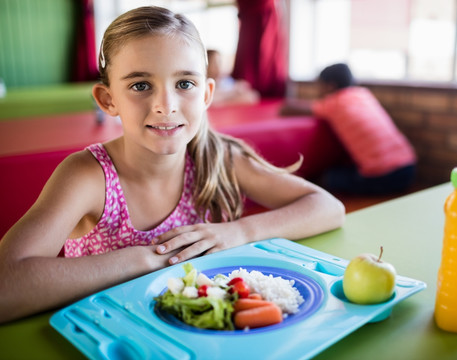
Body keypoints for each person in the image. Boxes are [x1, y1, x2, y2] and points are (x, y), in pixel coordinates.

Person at [0, 6, 344, 323]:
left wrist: (239, 232)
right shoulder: (88, 175)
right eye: (140, 85)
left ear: (206, 94)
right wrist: (147, 259)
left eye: (184, 84)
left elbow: (328, 207)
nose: (166, 105)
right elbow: (7, 284)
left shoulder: (219, 157)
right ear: (108, 100)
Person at [281, 63, 417, 195]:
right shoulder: (363, 95)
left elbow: (288, 110)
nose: (318, 91)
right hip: (409, 167)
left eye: (320, 86)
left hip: (385, 175)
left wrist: (282, 107)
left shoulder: (335, 103)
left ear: (330, 86)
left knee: (327, 178)